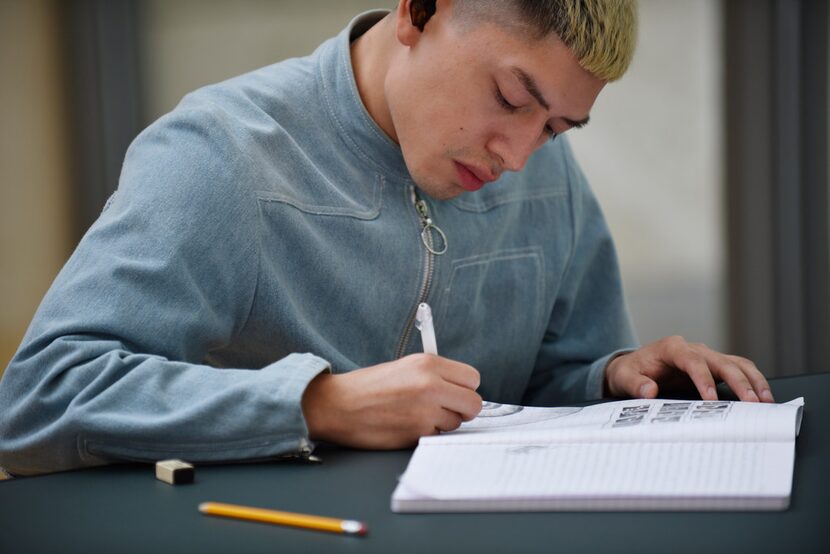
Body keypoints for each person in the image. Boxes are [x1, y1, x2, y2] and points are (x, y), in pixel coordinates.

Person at [0, 0, 773, 476]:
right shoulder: (222, 156)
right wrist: (316, 404)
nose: (517, 157)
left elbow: (547, 390)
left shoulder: (547, 172)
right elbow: (35, 403)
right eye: (509, 97)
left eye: (557, 126)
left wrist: (615, 377)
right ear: (417, 10)